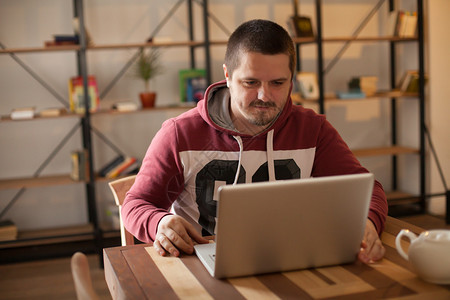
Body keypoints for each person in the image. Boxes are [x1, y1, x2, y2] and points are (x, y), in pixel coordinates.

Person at [122, 19, 388, 264]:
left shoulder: (313, 130)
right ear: (227, 75)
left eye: (278, 82)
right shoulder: (180, 133)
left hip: (291, 261)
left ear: (292, 80)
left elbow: (368, 190)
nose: (264, 95)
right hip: (202, 266)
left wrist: (367, 222)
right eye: (250, 82)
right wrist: (160, 222)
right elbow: (136, 204)